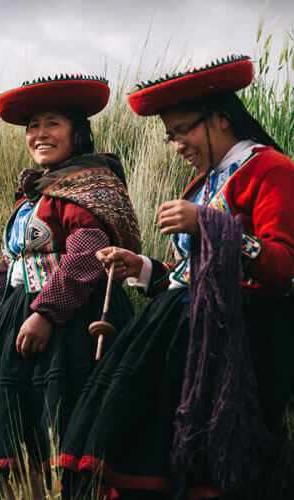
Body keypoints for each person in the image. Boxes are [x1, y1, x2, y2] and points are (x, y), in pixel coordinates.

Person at [59, 56, 294, 500]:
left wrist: (209, 223)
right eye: (170, 135)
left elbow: (283, 268)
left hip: (239, 337)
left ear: (221, 118)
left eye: (184, 129)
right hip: (179, 328)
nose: (176, 144)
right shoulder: (201, 186)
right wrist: (142, 267)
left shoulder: (271, 170)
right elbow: (189, 277)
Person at [0, 74, 142, 498]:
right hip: (17, 322)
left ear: (77, 132)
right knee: (16, 432)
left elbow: (87, 254)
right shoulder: (33, 196)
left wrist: (46, 313)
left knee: (61, 426)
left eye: (53, 123)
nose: (40, 134)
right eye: (32, 126)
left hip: (73, 324)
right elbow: (10, 271)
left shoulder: (91, 185)